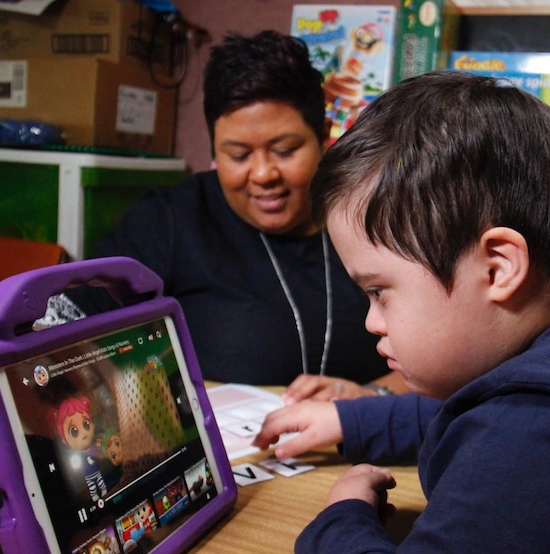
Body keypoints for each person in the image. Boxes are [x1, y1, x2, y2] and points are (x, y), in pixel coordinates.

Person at [252, 72, 550, 554]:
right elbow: (466, 416)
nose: (372, 321)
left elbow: (502, 434)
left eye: (378, 292)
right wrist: (346, 419)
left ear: (498, 268)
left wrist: (343, 521)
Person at [41, 30, 403, 399]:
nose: (263, 175)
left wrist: (371, 400)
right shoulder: (171, 221)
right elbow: (60, 324)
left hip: (366, 449)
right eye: (238, 155)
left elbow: (450, 365)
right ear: (214, 147)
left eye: (284, 150)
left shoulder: (375, 220)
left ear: (325, 135)